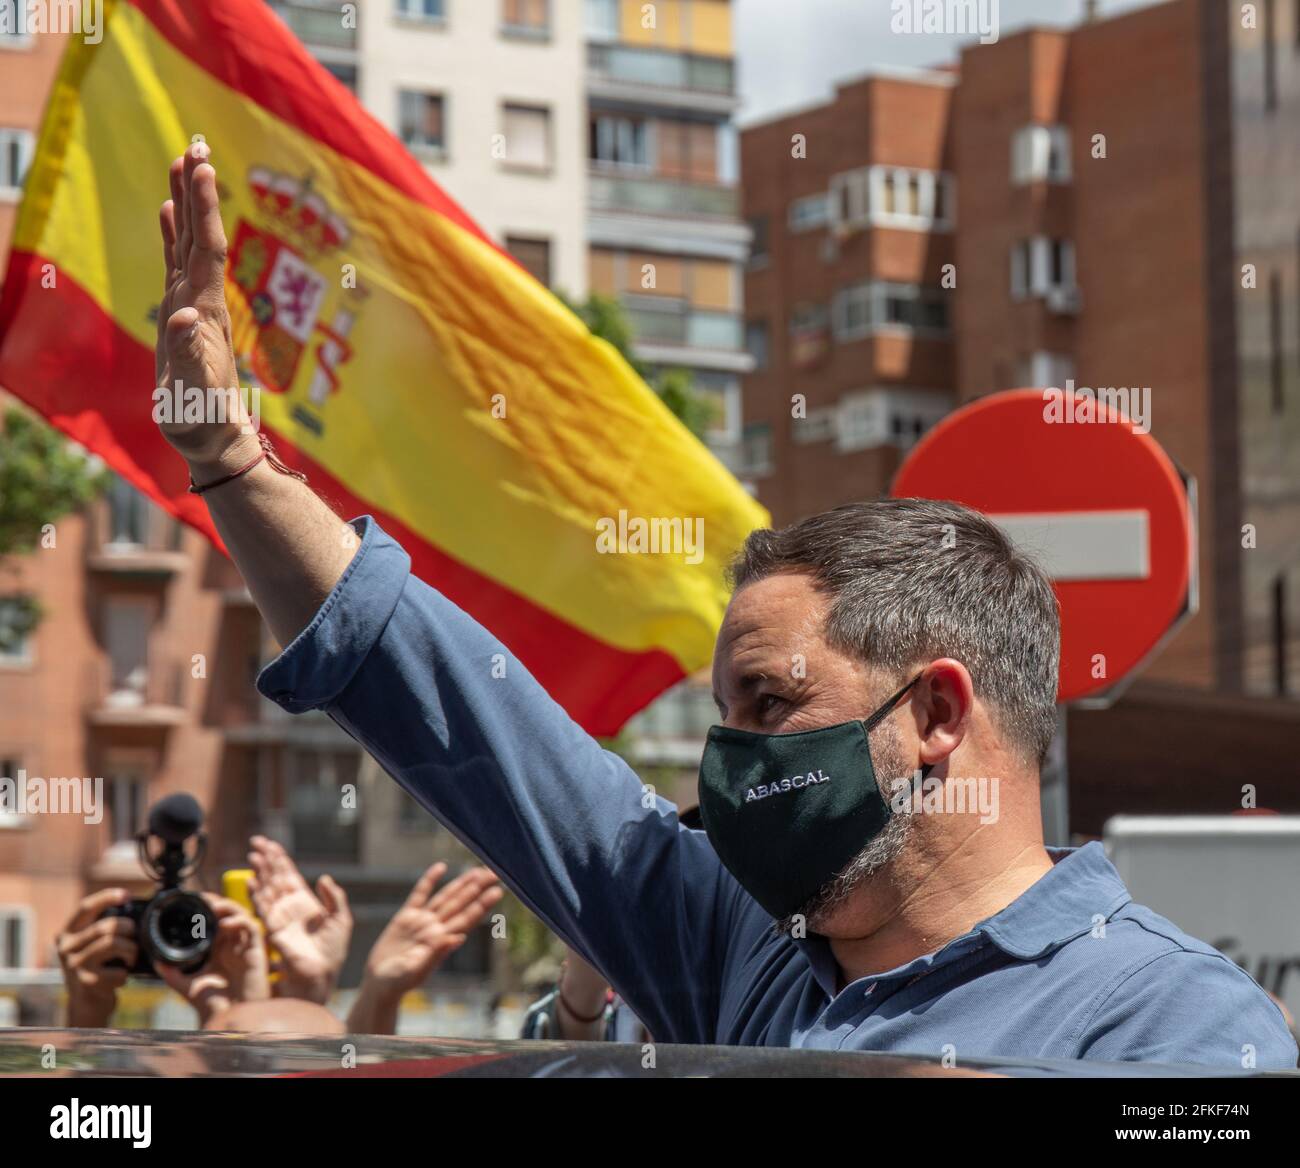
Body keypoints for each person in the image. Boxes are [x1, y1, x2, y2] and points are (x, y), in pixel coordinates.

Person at [151, 143, 1298, 1068]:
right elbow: (435, 689)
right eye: (725, 712)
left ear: (937, 713)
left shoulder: (1174, 1030)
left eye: (770, 700)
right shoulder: (732, 941)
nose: (725, 758)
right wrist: (230, 462)